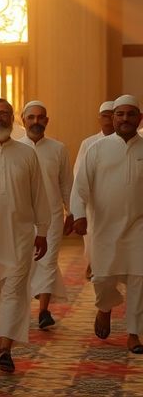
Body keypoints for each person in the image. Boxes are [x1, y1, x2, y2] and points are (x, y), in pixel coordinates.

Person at [0, 98, 49, 373]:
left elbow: (40, 196)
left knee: (14, 292)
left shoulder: (27, 154)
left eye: (4, 114)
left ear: (12, 118)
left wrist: (43, 231)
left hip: (20, 235)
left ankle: (5, 346)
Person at [71, 94, 143, 354]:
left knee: (139, 279)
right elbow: (80, 187)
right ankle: (104, 308)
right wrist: (78, 214)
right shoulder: (97, 149)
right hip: (103, 227)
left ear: (140, 119)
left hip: (138, 227)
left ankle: (134, 333)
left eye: (131, 114)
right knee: (102, 277)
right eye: (120, 114)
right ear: (113, 118)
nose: (125, 119)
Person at [19, 100, 73, 329]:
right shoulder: (15, 148)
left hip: (51, 217)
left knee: (48, 261)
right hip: (21, 217)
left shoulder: (58, 149)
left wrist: (73, 212)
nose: (36, 122)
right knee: (24, 263)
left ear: (47, 121)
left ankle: (43, 312)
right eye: (31, 118)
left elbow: (66, 184)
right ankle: (19, 311)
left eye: (40, 118)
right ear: (23, 121)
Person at [73, 100, 115, 280]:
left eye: (112, 115)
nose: (108, 119)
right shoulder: (89, 143)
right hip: (94, 202)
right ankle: (93, 265)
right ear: (99, 118)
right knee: (93, 238)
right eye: (105, 115)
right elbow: (78, 173)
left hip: (119, 201)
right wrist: (78, 208)